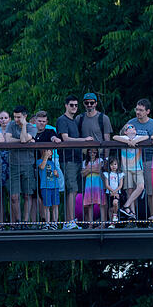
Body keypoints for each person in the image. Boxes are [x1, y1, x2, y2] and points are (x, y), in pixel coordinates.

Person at [116, 99, 153, 218]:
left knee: (151, 191)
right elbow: (120, 135)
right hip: (132, 162)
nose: (138, 112)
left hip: (149, 160)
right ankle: (132, 217)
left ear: (147, 111)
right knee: (131, 190)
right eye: (137, 109)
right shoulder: (131, 123)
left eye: (141, 110)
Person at [57, 95, 90, 230]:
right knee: (72, 189)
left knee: (74, 191)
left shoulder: (75, 121)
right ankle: (69, 221)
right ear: (66, 105)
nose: (74, 107)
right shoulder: (62, 120)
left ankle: (70, 220)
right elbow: (65, 138)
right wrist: (84, 140)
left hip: (77, 159)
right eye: (71, 105)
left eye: (76, 105)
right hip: (68, 159)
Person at [5, 105, 38, 226]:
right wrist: (22, 140)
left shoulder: (31, 127)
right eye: (14, 117)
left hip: (28, 164)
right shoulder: (11, 125)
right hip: (13, 164)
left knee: (27, 194)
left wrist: (23, 126)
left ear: (25, 116)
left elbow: (24, 140)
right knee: (14, 196)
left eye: (18, 117)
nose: (16, 120)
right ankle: (18, 221)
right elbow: (8, 140)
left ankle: (25, 221)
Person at [117, 124, 144, 218]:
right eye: (130, 127)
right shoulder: (123, 138)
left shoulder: (138, 137)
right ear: (125, 132)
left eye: (134, 127)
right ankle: (132, 213)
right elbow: (114, 137)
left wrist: (135, 141)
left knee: (140, 186)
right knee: (129, 190)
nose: (133, 128)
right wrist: (128, 141)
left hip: (138, 167)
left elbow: (146, 137)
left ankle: (126, 206)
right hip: (126, 167)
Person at [37, 149, 61, 229]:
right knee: (46, 206)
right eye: (49, 151)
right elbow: (42, 167)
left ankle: (55, 223)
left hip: (55, 186)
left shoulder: (52, 163)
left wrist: (56, 174)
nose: (51, 153)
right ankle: (47, 223)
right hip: (45, 187)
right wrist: (46, 157)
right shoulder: (39, 161)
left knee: (55, 205)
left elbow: (57, 174)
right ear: (43, 151)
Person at [0, 110, 11, 226]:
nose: (4, 120)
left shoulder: (12, 130)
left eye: (5, 118)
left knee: (13, 195)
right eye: (1, 118)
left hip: (10, 165)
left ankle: (14, 223)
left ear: (9, 119)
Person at [81, 148, 105, 227]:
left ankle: (103, 223)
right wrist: (92, 169)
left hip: (98, 183)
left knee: (101, 203)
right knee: (90, 204)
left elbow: (98, 170)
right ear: (88, 153)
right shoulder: (85, 162)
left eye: (94, 152)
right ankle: (90, 224)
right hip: (89, 184)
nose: (92, 154)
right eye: (90, 152)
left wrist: (88, 170)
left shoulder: (100, 160)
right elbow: (82, 174)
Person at [102, 157, 124, 227]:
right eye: (111, 164)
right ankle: (112, 223)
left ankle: (115, 215)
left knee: (115, 203)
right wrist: (112, 192)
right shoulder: (107, 174)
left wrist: (114, 192)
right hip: (109, 193)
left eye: (115, 164)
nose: (113, 166)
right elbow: (107, 185)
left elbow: (120, 185)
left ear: (118, 165)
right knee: (110, 208)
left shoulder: (120, 174)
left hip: (117, 192)